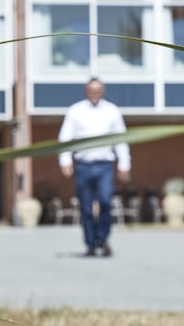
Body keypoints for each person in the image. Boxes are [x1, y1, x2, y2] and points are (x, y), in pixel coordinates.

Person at [57, 78, 131, 258]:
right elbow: (66, 137)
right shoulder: (75, 111)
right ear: (86, 91)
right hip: (83, 166)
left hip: (104, 165)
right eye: (91, 90)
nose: (95, 93)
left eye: (98, 90)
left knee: (106, 202)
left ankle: (102, 239)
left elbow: (120, 138)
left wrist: (124, 163)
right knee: (86, 207)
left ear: (103, 91)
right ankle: (90, 244)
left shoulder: (112, 111)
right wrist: (65, 160)